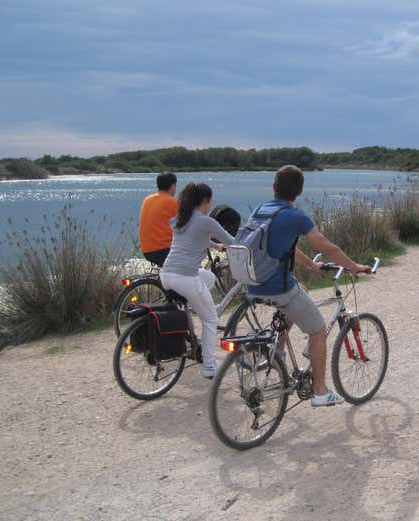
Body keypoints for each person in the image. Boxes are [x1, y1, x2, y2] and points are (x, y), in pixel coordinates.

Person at [246, 165, 371, 407]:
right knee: (317, 329)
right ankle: (320, 392)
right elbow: (326, 247)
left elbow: (287, 246)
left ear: (274, 187)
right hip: (276, 286)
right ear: (299, 192)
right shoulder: (295, 216)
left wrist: (312, 267)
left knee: (299, 289)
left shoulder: (262, 210)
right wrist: (353, 266)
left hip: (252, 283)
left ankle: (279, 354)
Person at [161, 183, 235, 378]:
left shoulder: (180, 219)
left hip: (167, 274)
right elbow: (232, 241)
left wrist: (213, 245)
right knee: (210, 318)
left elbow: (192, 239)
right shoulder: (205, 221)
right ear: (205, 201)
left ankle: (192, 308)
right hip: (185, 277)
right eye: (210, 201)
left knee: (208, 277)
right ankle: (209, 366)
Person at [139, 172, 178, 267]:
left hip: (147, 250)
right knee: (192, 267)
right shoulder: (172, 202)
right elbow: (188, 224)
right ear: (173, 186)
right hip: (163, 250)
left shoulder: (147, 199)